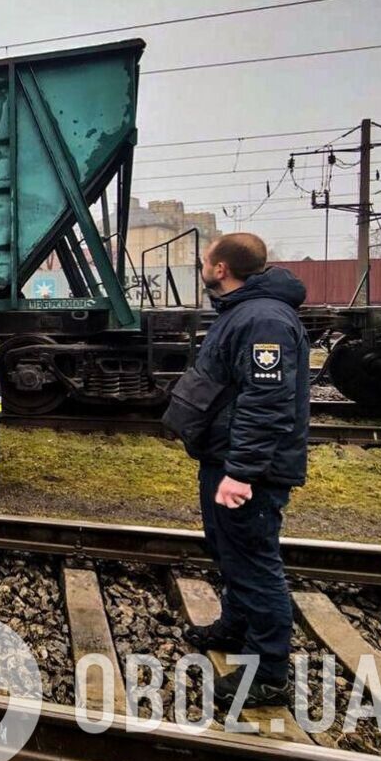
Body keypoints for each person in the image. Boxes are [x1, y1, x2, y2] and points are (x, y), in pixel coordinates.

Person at [161, 233, 308, 709]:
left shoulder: (263, 318)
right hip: (224, 458)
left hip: (247, 470)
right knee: (230, 551)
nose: (203, 266)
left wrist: (241, 473)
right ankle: (236, 625)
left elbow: (266, 405)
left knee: (255, 563)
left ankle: (268, 673)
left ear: (221, 268)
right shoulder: (245, 311)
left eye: (206, 261)